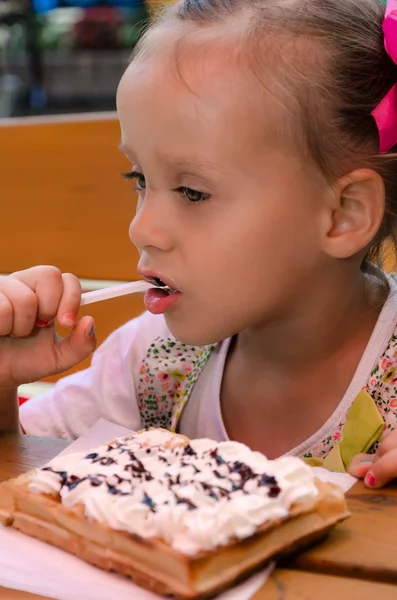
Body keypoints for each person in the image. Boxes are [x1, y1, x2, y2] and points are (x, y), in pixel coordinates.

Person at [2, 0, 397, 490]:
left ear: (343, 215)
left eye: (193, 192)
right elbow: (23, 483)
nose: (141, 229)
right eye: (139, 178)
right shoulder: (150, 362)